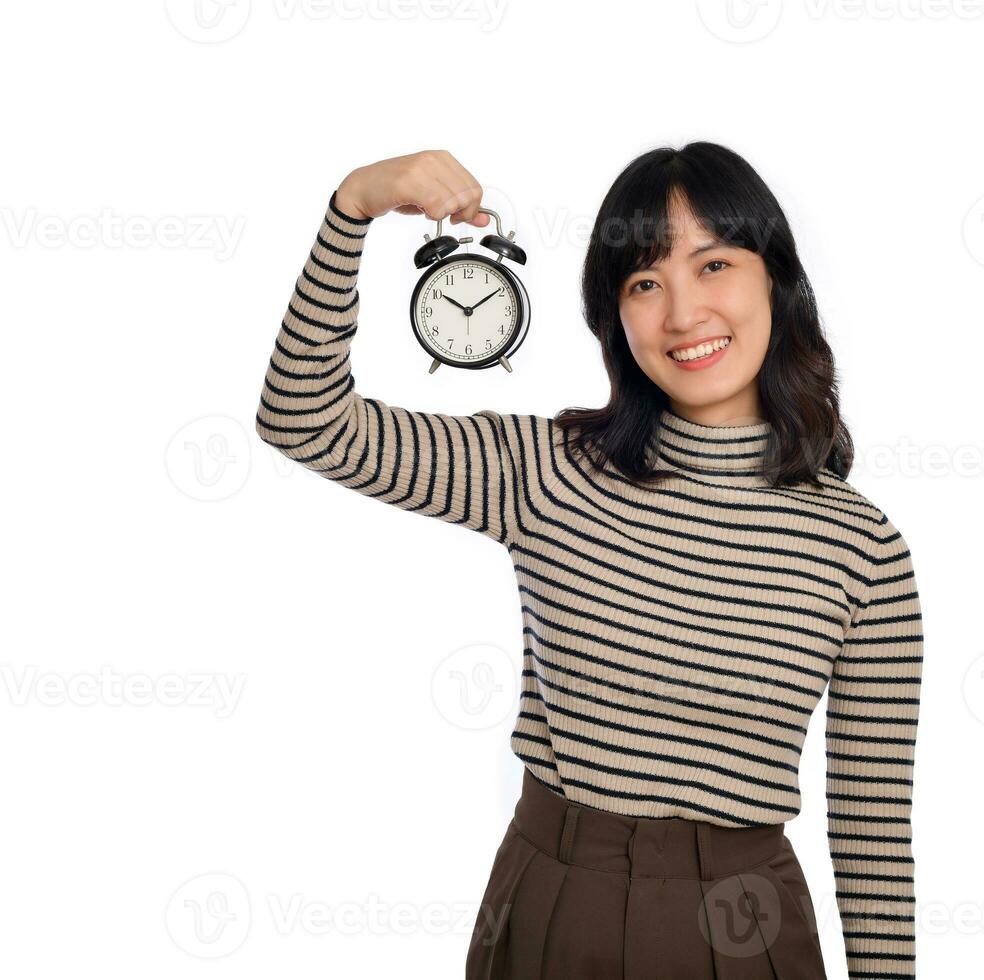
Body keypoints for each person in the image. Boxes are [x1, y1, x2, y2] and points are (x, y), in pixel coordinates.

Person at [255, 146, 923, 980]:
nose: (682, 313)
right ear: (615, 316)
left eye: (713, 263)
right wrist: (354, 204)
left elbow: (872, 831)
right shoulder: (543, 470)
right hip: (549, 905)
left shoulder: (862, 549)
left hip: (744, 929)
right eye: (644, 282)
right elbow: (302, 419)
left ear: (776, 283)